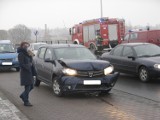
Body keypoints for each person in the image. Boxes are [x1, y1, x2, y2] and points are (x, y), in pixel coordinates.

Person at [17, 42, 36, 106]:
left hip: (30, 72)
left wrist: (31, 55)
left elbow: (31, 61)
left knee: (32, 86)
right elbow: (21, 64)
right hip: (25, 72)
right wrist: (28, 65)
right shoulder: (21, 54)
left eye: (28, 46)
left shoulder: (28, 53)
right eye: (25, 46)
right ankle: (26, 101)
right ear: (22, 46)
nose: (27, 47)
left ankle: (23, 95)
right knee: (27, 87)